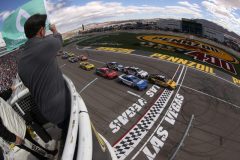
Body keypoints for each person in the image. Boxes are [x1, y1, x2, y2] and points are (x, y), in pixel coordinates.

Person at [18, 14, 70, 130]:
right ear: (41, 31)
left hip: (47, 112)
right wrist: (54, 30)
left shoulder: (20, 59)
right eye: (44, 29)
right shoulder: (47, 44)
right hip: (63, 108)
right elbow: (59, 39)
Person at [0, 87, 58, 160]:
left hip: (19, 127)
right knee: (33, 148)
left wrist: (10, 90)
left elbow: (2, 97)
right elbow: (1, 131)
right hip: (15, 133)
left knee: (33, 144)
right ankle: (47, 156)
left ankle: (48, 153)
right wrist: (14, 138)